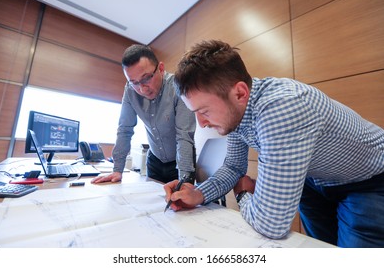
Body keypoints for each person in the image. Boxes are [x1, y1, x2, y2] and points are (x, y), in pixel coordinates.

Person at [164, 39, 384, 248]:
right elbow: (233, 166)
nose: (201, 124)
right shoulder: (238, 111)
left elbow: (271, 223)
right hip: (316, 179)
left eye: (204, 111)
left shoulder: (281, 108)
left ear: (240, 92)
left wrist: (243, 194)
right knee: (323, 250)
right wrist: (199, 194)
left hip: (367, 181)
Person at [92, 44, 196, 184]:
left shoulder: (177, 87)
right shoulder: (130, 91)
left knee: (179, 201)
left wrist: (185, 180)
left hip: (179, 163)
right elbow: (124, 129)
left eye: (146, 78)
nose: (142, 89)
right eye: (134, 82)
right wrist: (117, 170)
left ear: (160, 68)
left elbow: (184, 136)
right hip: (154, 160)